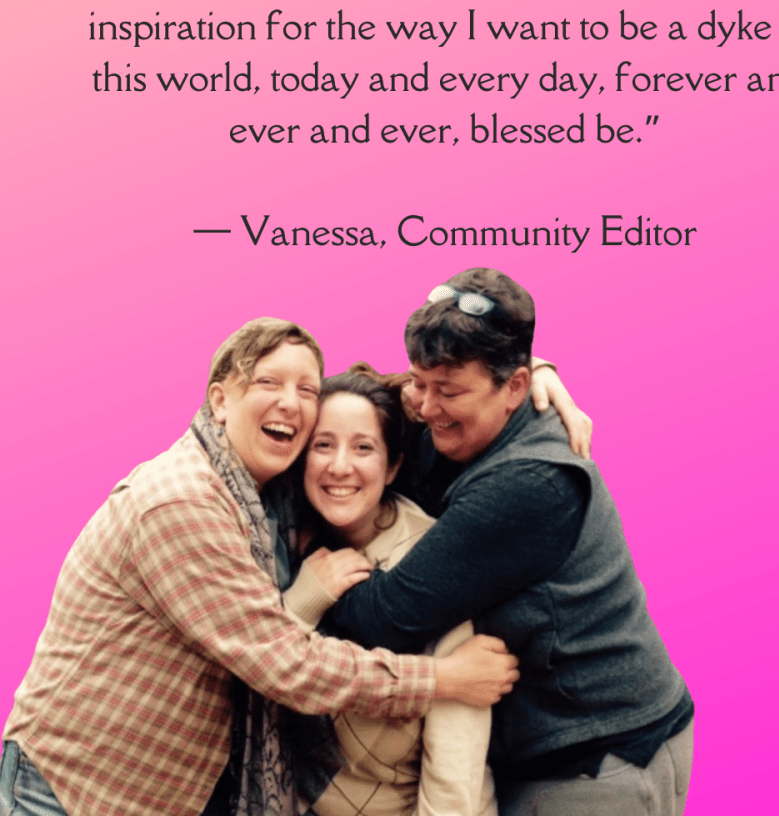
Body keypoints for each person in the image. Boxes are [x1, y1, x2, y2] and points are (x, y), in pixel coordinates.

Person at [0, 318, 518, 816]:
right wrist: (442, 679)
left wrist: (525, 375)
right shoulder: (182, 504)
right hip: (78, 787)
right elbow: (287, 664)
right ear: (219, 401)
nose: (290, 402)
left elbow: (394, 400)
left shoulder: (271, 501)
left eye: (307, 390)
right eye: (268, 381)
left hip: (169, 788)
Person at [325, 270, 695, 816]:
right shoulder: (469, 421)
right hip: (573, 746)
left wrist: (305, 582)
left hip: (597, 762)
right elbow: (351, 409)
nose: (425, 409)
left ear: (515, 388)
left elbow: (388, 618)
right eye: (418, 383)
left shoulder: (529, 484)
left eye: (447, 392)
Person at [281, 371, 498, 816]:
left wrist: (539, 372)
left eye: (363, 447)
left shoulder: (429, 561)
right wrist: (304, 599)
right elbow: (258, 666)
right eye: (323, 445)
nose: (340, 466)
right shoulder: (283, 538)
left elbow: (454, 769)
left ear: (393, 465)